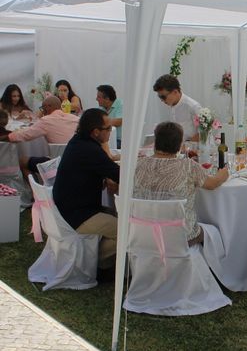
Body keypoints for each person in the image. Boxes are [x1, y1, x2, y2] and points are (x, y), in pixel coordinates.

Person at [133, 122, 229, 246]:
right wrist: (223, 174)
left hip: (144, 233)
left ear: (155, 142)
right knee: (216, 232)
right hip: (181, 236)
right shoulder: (188, 166)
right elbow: (212, 184)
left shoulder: (138, 164)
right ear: (179, 145)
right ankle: (208, 264)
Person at [53, 109, 120, 271]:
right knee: (128, 229)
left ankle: (97, 258)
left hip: (71, 208)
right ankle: (92, 263)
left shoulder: (79, 142)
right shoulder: (90, 150)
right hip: (78, 214)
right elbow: (119, 174)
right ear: (96, 132)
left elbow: (105, 170)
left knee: (119, 216)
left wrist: (106, 176)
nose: (110, 132)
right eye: (108, 129)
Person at [5, 95, 79, 177]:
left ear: (48, 107)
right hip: (76, 163)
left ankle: (36, 188)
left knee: (22, 161)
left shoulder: (46, 120)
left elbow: (25, 135)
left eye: (43, 108)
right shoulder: (76, 119)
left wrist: (7, 136)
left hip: (55, 165)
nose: (42, 112)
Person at [153, 74, 202, 141]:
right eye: (160, 97)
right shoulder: (169, 104)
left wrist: (185, 145)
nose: (162, 100)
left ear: (175, 92)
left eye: (163, 97)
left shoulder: (193, 106)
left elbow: (204, 133)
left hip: (192, 149)